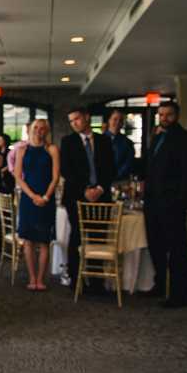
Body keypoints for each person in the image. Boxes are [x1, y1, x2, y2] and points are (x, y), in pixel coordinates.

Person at [144, 101, 187, 307]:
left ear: (177, 115)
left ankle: (179, 294)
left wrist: (181, 202)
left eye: (168, 114)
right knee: (156, 247)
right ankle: (160, 284)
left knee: (176, 250)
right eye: (161, 115)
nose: (164, 118)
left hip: (172, 203)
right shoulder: (158, 138)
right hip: (153, 202)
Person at [60, 106, 115, 291]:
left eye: (77, 119)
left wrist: (99, 188)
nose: (74, 123)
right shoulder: (68, 142)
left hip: (101, 197)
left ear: (87, 118)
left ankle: (97, 282)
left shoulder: (104, 141)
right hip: (76, 196)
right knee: (77, 236)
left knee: (98, 237)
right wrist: (86, 189)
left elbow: (111, 168)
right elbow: (66, 170)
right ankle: (76, 279)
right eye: (71, 121)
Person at [13, 119, 60, 290]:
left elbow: (55, 176)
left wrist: (46, 197)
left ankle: (41, 278)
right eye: (36, 128)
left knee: (44, 241)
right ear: (31, 130)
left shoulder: (52, 149)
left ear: (46, 131)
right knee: (28, 241)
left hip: (46, 199)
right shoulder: (22, 150)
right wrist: (33, 196)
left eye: (42, 128)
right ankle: (32, 277)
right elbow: (18, 176)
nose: (38, 131)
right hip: (28, 199)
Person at [104, 110, 135, 182]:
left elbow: (129, 162)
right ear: (109, 120)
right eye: (115, 119)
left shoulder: (127, 142)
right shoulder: (99, 140)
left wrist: (117, 175)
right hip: (103, 180)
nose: (117, 122)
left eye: (120, 120)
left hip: (121, 179)